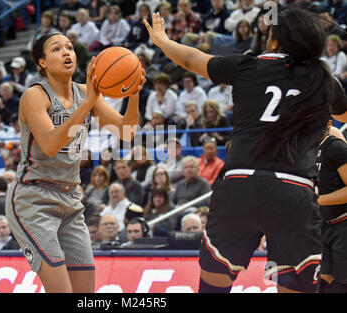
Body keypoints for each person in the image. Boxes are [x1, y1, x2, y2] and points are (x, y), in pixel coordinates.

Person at [144, 8, 347, 293]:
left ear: (274, 41)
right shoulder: (325, 81)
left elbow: (191, 58)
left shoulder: (248, 66)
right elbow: (344, 114)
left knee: (213, 288)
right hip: (293, 192)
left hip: (240, 185)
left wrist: (163, 40)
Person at [5, 31, 145, 293]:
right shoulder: (35, 96)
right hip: (32, 199)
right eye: (57, 49)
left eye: (69, 47)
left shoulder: (84, 92)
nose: (66, 52)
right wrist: (89, 102)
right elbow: (49, 144)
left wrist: (133, 92)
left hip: (70, 198)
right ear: (42, 62)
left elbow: (127, 131)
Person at [316, 120, 347, 293]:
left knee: (342, 283)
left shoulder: (336, 147)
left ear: (328, 123)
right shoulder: (305, 149)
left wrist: (317, 200)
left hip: (343, 223)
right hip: (323, 224)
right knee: (322, 279)